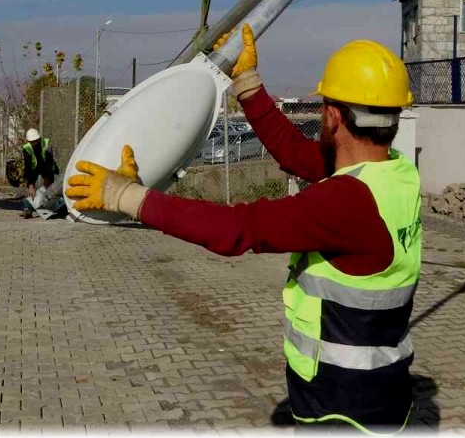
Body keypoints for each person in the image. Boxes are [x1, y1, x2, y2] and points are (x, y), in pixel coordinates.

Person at [66, 24, 423, 433]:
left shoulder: (347, 203)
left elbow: (236, 228)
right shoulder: (397, 174)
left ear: (331, 116)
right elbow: (294, 153)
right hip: (386, 389)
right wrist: (248, 84)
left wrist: (124, 196)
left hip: (342, 405)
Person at [21, 128, 59, 199]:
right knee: (29, 186)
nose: (34, 143)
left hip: (45, 165)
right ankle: (29, 204)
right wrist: (31, 184)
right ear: (29, 141)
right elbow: (28, 165)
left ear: (39, 138)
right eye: (32, 142)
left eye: (36, 141)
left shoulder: (46, 144)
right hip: (33, 168)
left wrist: (46, 177)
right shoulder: (27, 148)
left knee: (49, 184)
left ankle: (49, 202)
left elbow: (49, 162)